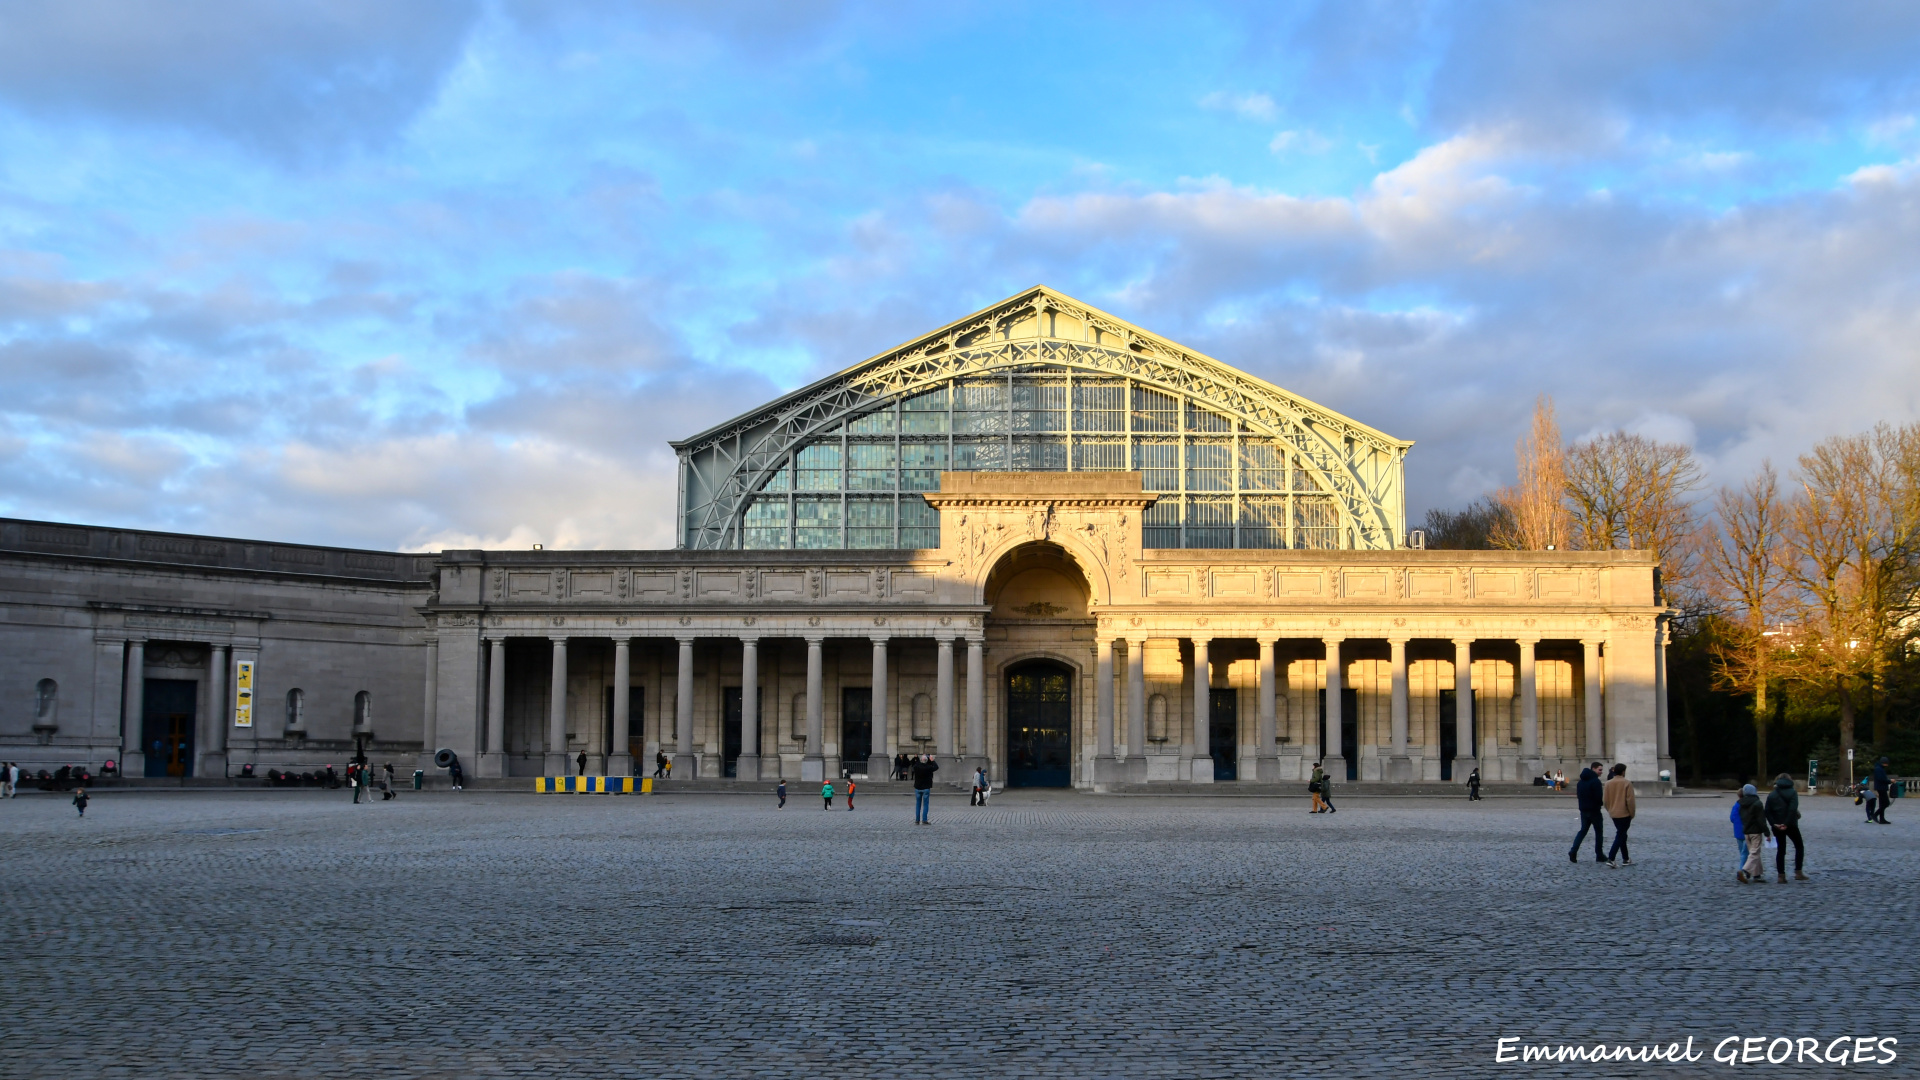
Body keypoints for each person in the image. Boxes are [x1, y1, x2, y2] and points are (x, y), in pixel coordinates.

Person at [1766, 772, 1807, 882]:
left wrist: (1774, 823)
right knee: (1799, 846)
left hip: (1776, 825)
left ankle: (1781, 875)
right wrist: (1786, 823)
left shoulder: (1772, 794)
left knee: (1781, 849)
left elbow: (1767, 811)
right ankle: (1798, 872)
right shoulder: (1793, 792)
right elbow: (1792, 809)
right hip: (1791, 824)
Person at [1568, 766, 1605, 863]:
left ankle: (1573, 850)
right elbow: (1598, 797)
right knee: (1599, 832)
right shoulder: (1596, 781)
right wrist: (1600, 804)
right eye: (1600, 770)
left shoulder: (1580, 782)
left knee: (1583, 831)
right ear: (1593, 769)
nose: (1601, 772)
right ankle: (1599, 854)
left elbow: (1579, 795)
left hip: (1584, 810)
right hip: (1594, 810)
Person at [1602, 763, 1635, 866]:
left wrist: (1610, 810)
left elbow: (1605, 800)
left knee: (1622, 835)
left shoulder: (1608, 783)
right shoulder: (1627, 783)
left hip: (1614, 813)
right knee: (1620, 835)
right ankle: (1611, 858)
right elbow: (1630, 801)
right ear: (1623, 771)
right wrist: (1632, 813)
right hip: (1625, 813)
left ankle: (1626, 858)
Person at [1737, 783, 1768, 883]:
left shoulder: (1741, 803)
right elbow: (1761, 820)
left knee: (1753, 853)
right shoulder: (1757, 803)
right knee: (1754, 853)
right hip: (1755, 831)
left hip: (1746, 831)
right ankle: (1745, 870)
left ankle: (1756, 875)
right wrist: (1767, 832)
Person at [911, 754, 938, 824]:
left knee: (918, 804)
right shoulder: (929, 767)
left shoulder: (917, 767)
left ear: (920, 760)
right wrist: (932, 760)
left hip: (918, 787)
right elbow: (936, 767)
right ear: (927, 761)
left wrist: (920, 759)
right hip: (926, 788)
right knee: (925, 804)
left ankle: (917, 820)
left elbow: (914, 765)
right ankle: (924, 820)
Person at [1872, 757, 1892, 824]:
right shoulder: (1879, 769)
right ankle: (1875, 815)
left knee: (1882, 804)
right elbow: (1881, 779)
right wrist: (1890, 781)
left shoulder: (1879, 768)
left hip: (1880, 787)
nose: (1887, 765)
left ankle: (1882, 819)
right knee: (1886, 803)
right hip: (1881, 788)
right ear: (1884, 763)